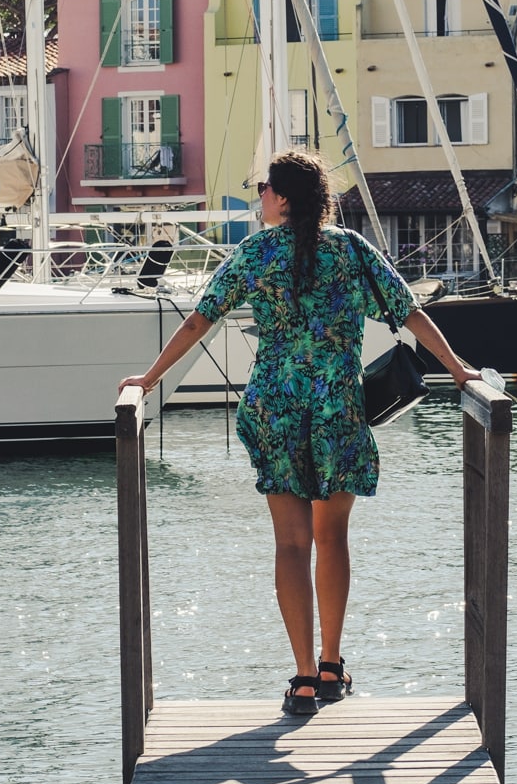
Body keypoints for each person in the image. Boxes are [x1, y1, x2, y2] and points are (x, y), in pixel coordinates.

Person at [117, 148, 477, 716]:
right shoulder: (352, 251)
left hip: (276, 409)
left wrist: (150, 378)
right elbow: (409, 312)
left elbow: (199, 321)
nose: (258, 196)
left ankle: (305, 679)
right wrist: (458, 369)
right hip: (336, 408)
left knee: (290, 543)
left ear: (281, 198)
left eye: (262, 187)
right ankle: (333, 665)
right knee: (332, 538)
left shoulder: (256, 252)